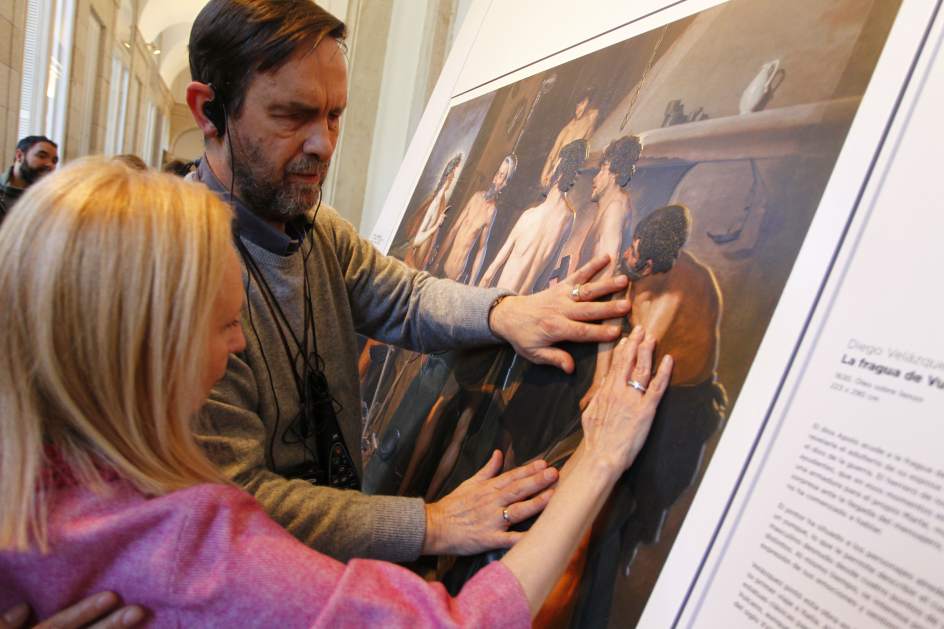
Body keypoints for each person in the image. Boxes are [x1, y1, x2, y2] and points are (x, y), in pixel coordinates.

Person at [0, 159, 672, 625]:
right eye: (227, 324)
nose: (239, 347)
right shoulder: (189, 545)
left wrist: (502, 310)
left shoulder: (28, 477)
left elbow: (401, 293)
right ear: (150, 349)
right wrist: (600, 459)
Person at [185, 0, 632, 565]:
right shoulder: (173, 275)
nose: (323, 144)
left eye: (334, 116)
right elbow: (241, 501)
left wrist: (506, 312)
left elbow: (404, 296)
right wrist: (431, 523)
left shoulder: (315, 229)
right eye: (292, 116)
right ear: (209, 110)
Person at [479, 139, 587, 294]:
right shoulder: (569, 218)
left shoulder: (529, 217)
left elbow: (489, 273)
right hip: (526, 303)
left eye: (553, 167)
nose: (548, 174)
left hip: (502, 301)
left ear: (558, 172)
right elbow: (544, 278)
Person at [435, 153, 517, 283]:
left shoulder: (491, 212)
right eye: (497, 172)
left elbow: (481, 249)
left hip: (457, 277)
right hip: (442, 269)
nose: (496, 178)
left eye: (501, 176)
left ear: (505, 183)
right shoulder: (475, 197)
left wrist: (472, 282)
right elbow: (454, 230)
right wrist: (436, 262)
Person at [539, 88, 599, 189]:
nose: (579, 108)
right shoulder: (567, 129)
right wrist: (545, 175)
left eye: (583, 103)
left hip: (569, 172)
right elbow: (552, 155)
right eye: (578, 105)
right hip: (557, 172)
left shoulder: (592, 117)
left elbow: (594, 114)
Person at [0, 136, 58, 222]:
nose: (50, 164)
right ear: (19, 156)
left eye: (54, 161)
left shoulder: (52, 200)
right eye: (42, 156)